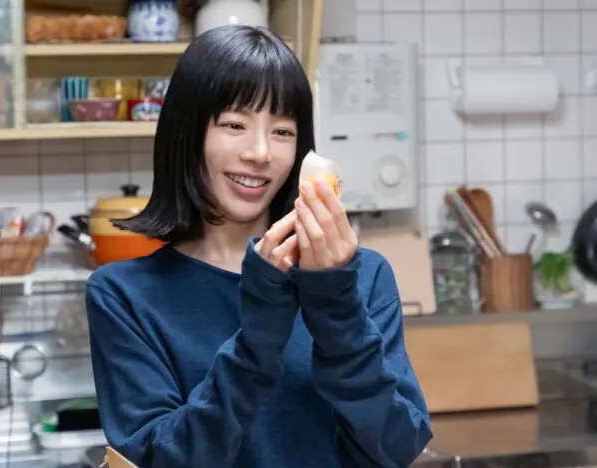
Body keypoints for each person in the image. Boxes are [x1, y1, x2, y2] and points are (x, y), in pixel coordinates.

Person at [86, 24, 432, 468]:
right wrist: (259, 335)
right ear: (186, 134)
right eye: (234, 125)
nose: (261, 153)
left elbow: (397, 447)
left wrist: (335, 305)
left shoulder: (360, 276)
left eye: (283, 131)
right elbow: (161, 460)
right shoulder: (124, 294)